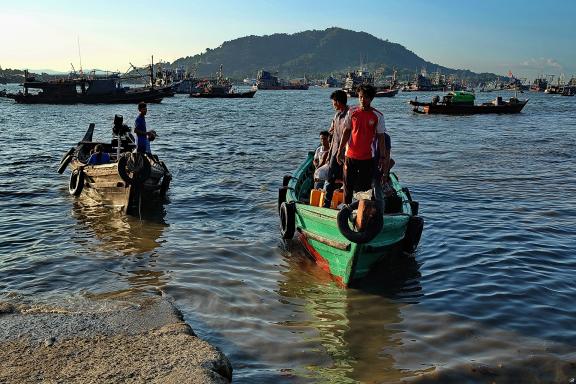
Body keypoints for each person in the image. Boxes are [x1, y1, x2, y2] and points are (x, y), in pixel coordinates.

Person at [337, 84, 389, 205]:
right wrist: (340, 150)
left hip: (367, 158)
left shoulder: (378, 116)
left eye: (365, 97)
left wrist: (382, 157)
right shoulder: (352, 112)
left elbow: (381, 137)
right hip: (350, 156)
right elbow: (346, 131)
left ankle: (363, 211)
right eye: (360, 97)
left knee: (365, 188)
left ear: (371, 99)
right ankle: (346, 209)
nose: (362, 100)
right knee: (348, 186)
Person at [322, 89, 349, 208]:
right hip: (334, 152)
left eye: (333, 101)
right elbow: (333, 136)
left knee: (347, 180)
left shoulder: (349, 115)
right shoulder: (337, 115)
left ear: (338, 101)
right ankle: (326, 204)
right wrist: (329, 154)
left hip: (346, 153)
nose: (333, 104)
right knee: (330, 178)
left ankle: (346, 205)